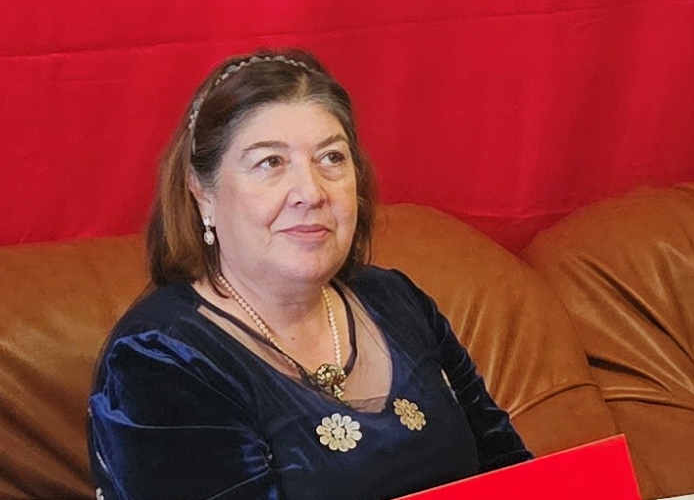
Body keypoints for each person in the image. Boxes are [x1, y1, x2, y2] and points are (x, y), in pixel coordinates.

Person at [87, 48, 533, 500]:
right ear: (203, 192)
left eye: (331, 158)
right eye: (271, 162)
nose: (311, 192)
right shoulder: (157, 358)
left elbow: (514, 473)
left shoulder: (396, 299)